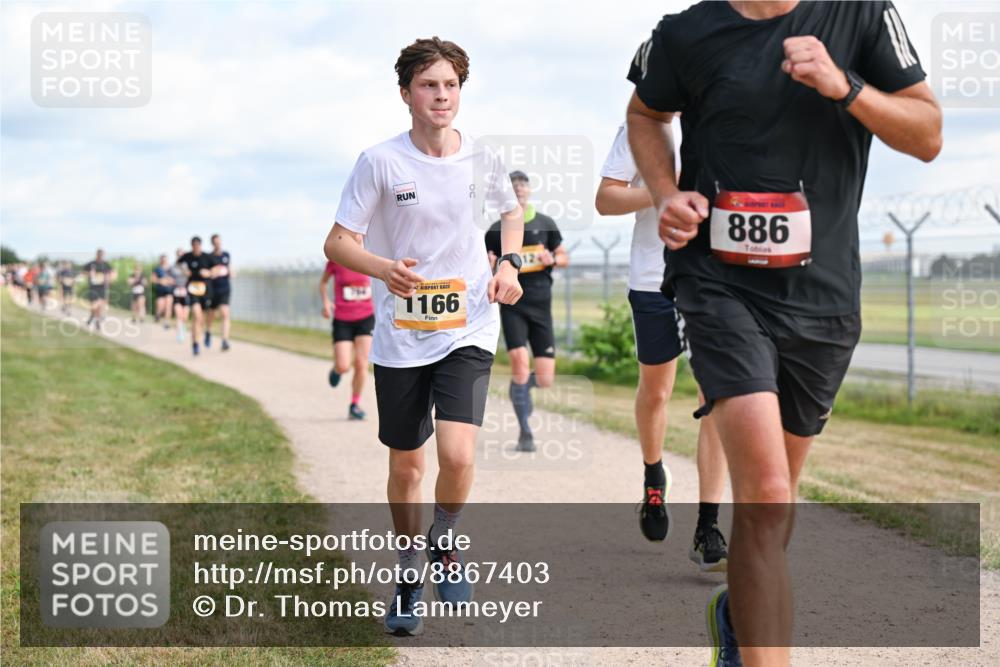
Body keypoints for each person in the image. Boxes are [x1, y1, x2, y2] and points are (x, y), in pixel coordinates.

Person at [626, 2, 942, 664]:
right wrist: (664, 192)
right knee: (766, 493)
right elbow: (646, 114)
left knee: (777, 504)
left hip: (823, 297)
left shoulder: (860, 15)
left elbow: (927, 134)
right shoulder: (684, 32)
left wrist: (846, 87)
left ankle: (740, 615)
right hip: (718, 285)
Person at [324, 37, 523, 637]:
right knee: (408, 466)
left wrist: (508, 263)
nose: (442, 96)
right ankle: (408, 567)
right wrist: (384, 269)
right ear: (406, 93)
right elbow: (338, 242)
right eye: (429, 85)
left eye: (451, 85)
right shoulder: (379, 162)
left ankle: (444, 541)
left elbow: (509, 212)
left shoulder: (482, 159)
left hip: (467, 325)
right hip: (402, 335)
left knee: (458, 454)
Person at [596, 118, 729, 571]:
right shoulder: (644, 126)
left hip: (716, 280)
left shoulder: (729, 116)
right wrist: (662, 192)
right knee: (657, 392)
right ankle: (654, 476)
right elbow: (606, 197)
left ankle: (707, 526)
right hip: (654, 279)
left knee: (716, 397)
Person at [484, 171, 569, 452]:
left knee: (544, 379)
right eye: (513, 185)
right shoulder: (496, 229)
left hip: (541, 305)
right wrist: (489, 263)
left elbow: (564, 257)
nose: (518, 188)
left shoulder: (545, 223)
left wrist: (552, 258)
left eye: (523, 184)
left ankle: (521, 392)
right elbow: (484, 265)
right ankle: (525, 433)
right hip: (512, 305)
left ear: (529, 190)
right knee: (520, 365)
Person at [320, 243, 374, 420]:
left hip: (366, 317)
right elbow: (323, 282)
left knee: (361, 363)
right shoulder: (336, 258)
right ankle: (336, 370)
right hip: (343, 319)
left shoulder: (370, 255)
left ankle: (354, 404)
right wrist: (326, 302)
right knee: (344, 365)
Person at [177, 237, 216, 356]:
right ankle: (195, 344)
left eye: (198, 244)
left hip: (205, 290)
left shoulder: (207, 257)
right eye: (194, 245)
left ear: (200, 245)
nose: (196, 246)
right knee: (197, 316)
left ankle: (208, 332)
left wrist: (209, 273)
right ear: (191, 245)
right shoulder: (187, 256)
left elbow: (216, 269)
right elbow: (178, 263)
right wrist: (184, 271)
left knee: (204, 318)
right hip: (192, 289)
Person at [204, 234, 233, 351]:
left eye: (219, 241)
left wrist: (230, 272)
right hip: (213, 289)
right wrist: (213, 272)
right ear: (212, 243)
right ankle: (208, 331)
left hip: (225, 288)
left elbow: (229, 269)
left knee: (225, 313)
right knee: (211, 314)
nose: (217, 244)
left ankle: (225, 340)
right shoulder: (208, 257)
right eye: (215, 242)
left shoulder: (226, 255)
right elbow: (207, 273)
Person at [83, 249, 116, 331]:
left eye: (102, 255)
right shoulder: (91, 264)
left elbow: (112, 273)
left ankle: (97, 321)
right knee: (94, 306)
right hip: (93, 287)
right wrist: (89, 274)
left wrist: (109, 278)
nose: (101, 256)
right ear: (97, 255)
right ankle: (92, 316)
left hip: (102, 287)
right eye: (99, 255)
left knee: (100, 305)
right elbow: (83, 271)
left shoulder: (105, 264)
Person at [151, 254, 175, 328]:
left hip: (169, 290)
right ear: (160, 260)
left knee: (168, 306)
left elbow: (176, 279)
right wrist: (160, 281)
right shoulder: (157, 269)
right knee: (160, 306)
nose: (164, 261)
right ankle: (158, 315)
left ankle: (166, 322)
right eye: (162, 259)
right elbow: (152, 279)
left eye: (165, 259)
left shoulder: (172, 269)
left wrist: (170, 281)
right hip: (160, 291)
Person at [171, 249, 189, 342]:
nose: (180, 256)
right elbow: (169, 277)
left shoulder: (187, 266)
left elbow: (189, 275)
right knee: (178, 314)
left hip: (186, 292)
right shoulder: (173, 266)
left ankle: (183, 325)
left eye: (182, 255)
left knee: (185, 316)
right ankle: (180, 334)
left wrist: (183, 267)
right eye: (178, 255)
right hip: (176, 292)